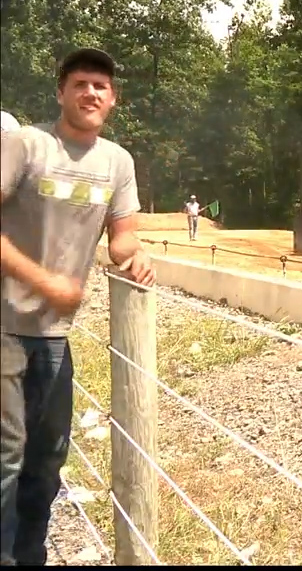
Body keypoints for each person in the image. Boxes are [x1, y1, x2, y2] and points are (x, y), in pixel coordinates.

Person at [0, 47, 155, 566]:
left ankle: (29, 557)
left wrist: (137, 259)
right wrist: (48, 282)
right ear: (61, 92)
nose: (91, 93)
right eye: (81, 83)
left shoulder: (117, 162)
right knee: (6, 458)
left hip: (54, 336)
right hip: (4, 327)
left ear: (113, 100)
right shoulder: (26, 145)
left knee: (47, 461)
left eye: (101, 87)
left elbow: (122, 240)